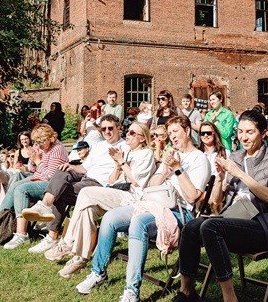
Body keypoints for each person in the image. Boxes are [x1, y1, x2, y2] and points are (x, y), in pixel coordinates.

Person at [75, 115, 210, 302]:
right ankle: (98, 273)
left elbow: (193, 197)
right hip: (154, 204)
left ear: (187, 131)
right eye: (170, 133)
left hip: (180, 212)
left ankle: (131, 291)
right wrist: (164, 168)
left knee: (139, 222)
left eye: (176, 132)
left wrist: (178, 169)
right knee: (111, 217)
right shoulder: (171, 155)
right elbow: (151, 186)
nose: (173, 137)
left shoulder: (199, 158)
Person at [174, 110, 268, 302]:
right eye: (240, 132)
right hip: (234, 218)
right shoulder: (236, 156)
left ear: (263, 133)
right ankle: (187, 291)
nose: (243, 137)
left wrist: (240, 174)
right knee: (191, 227)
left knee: (211, 227)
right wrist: (221, 179)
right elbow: (216, 202)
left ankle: (229, 297)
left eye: (250, 132)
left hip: (264, 226)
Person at [44, 122, 156, 278]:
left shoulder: (146, 154)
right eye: (128, 132)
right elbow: (111, 181)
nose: (128, 135)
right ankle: (80, 259)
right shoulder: (127, 152)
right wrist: (117, 165)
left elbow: (137, 182)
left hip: (132, 198)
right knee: (87, 210)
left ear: (143, 138)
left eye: (132, 133)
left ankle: (68, 242)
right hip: (116, 191)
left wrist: (122, 163)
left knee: (86, 192)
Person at [22, 115, 128, 254]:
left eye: (110, 128)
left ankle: (51, 235)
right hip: (85, 177)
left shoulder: (125, 146)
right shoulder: (99, 145)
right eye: (103, 129)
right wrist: (70, 167)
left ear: (118, 128)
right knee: (62, 170)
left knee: (59, 191)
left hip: (100, 185)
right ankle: (45, 206)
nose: (107, 131)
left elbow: (123, 172)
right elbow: (84, 168)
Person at [0, 124, 69, 249]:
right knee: (14, 185)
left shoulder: (57, 149)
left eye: (42, 142)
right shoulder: (42, 146)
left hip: (53, 186)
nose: (39, 145)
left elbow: (51, 177)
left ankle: (21, 234)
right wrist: (32, 159)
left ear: (51, 138)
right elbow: (32, 169)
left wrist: (37, 160)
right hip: (38, 177)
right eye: (36, 142)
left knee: (21, 189)